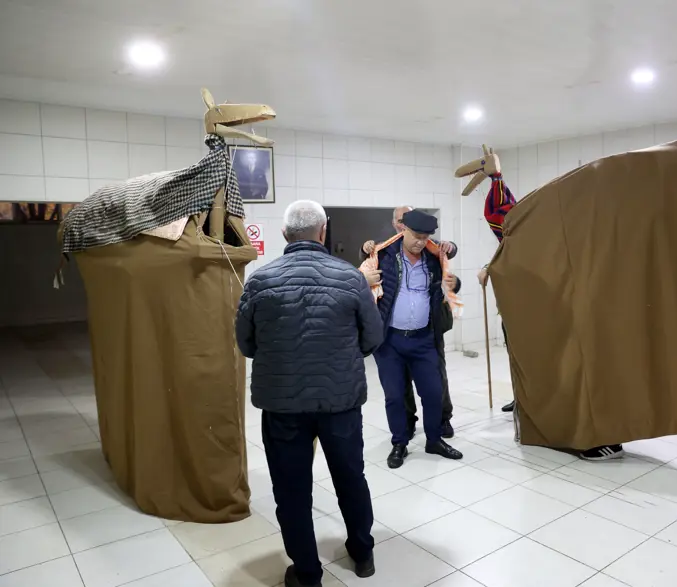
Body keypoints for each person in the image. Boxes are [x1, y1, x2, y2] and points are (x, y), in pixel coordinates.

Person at [236, 200, 384, 587]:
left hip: (283, 405)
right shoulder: (351, 278)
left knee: (291, 488)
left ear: (285, 235)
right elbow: (373, 336)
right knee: (351, 476)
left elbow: (246, 343)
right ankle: (363, 552)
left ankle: (306, 572)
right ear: (324, 231)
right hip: (340, 402)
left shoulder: (259, 280)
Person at [478, 174, 624, 461]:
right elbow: (504, 225)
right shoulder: (539, 239)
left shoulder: (569, 237)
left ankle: (593, 434)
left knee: (580, 378)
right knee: (553, 375)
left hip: (572, 325)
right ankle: (553, 425)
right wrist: (492, 269)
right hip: (542, 326)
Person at [370, 209, 464, 468]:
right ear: (403, 231)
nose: (420, 242)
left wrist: (454, 284)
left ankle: (434, 440)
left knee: (433, 393)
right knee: (395, 396)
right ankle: (399, 443)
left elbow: (450, 280)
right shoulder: (385, 256)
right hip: (390, 341)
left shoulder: (434, 260)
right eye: (415, 236)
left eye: (425, 237)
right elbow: (363, 266)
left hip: (424, 339)